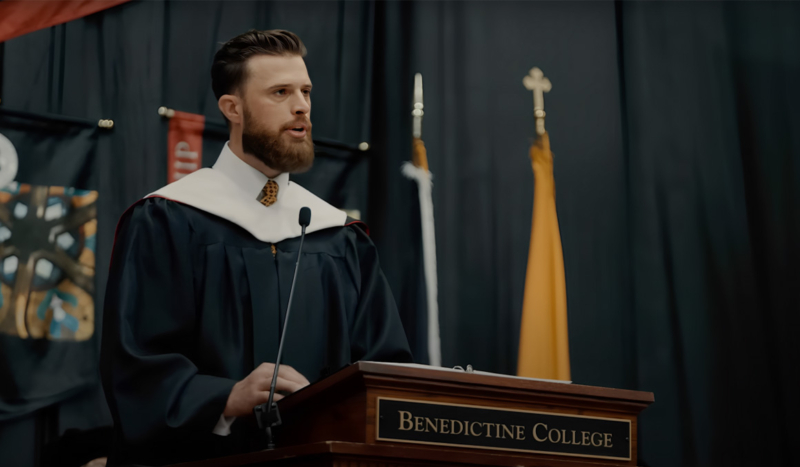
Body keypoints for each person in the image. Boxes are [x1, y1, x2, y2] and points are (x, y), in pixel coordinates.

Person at [100, 29, 413, 466]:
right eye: (280, 92)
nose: (301, 106)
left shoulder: (338, 236)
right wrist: (224, 398)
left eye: (305, 91)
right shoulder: (169, 219)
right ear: (233, 108)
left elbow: (382, 372)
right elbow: (137, 367)